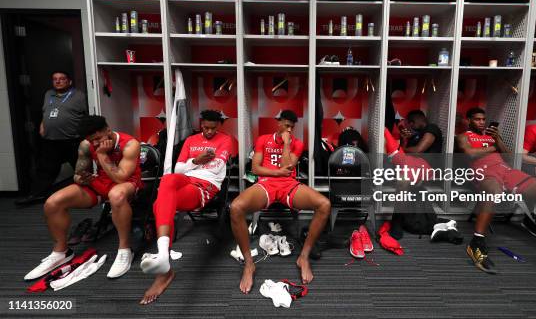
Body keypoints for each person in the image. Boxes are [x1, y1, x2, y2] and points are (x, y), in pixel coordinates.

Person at [456, 107, 536, 283]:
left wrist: (496, 140)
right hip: (483, 171)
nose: (481, 122)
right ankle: (476, 244)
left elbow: (509, 156)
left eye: (483, 119)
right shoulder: (463, 136)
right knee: (494, 192)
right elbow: (470, 153)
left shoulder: (491, 136)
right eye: (477, 119)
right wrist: (492, 148)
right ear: (469, 120)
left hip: (506, 169)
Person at [24, 115, 141, 281]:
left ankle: (124, 250)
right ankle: (61, 252)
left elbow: (121, 178)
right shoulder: (86, 145)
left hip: (126, 184)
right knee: (53, 202)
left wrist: (102, 155)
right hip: (99, 183)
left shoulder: (130, 144)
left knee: (116, 195)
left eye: (98, 139)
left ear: (108, 130)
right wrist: (82, 178)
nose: (94, 144)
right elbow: (77, 174)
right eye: (91, 140)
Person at [230, 110, 331, 294]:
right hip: (267, 185)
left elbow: (287, 166)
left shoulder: (297, 144)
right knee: (236, 207)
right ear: (278, 123)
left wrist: (286, 144)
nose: (289, 129)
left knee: (324, 204)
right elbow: (255, 169)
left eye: (292, 127)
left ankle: (304, 257)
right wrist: (276, 173)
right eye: (286, 125)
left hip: (288, 185)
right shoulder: (263, 140)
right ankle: (249, 264)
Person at [139, 110, 232, 305]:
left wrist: (193, 164)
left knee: (159, 205)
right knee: (168, 178)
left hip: (204, 186)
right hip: (184, 179)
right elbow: (178, 169)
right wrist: (198, 161)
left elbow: (215, 168)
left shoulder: (226, 140)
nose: (208, 132)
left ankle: (164, 264)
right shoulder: (191, 140)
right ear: (200, 123)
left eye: (212, 128)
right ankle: (164, 257)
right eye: (205, 127)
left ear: (219, 126)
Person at [15, 71, 88, 206]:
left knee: (81, 168)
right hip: (51, 141)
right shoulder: (49, 94)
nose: (58, 81)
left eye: (62, 79)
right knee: (45, 170)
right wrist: (43, 125)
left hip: (72, 140)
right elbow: (46, 112)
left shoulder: (79, 96)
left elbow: (87, 115)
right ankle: (35, 195)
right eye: (55, 79)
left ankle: (89, 194)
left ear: (69, 81)